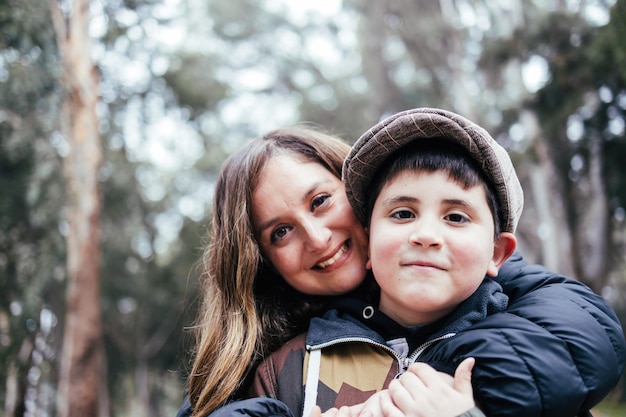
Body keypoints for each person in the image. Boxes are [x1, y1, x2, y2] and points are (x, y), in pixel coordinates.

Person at [178, 121, 626, 417]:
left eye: (320, 202)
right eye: (280, 232)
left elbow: (577, 334)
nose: (317, 238)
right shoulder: (280, 367)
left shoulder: (506, 302)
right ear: (261, 261)